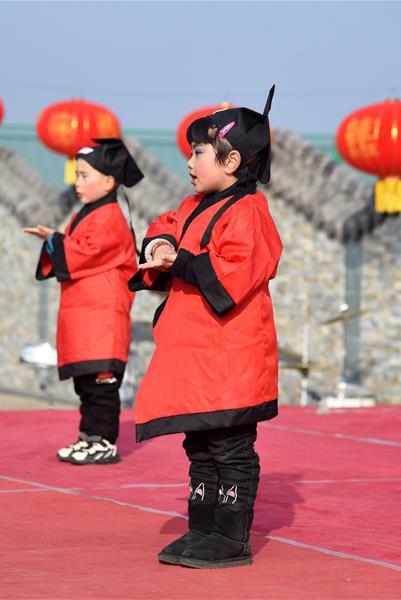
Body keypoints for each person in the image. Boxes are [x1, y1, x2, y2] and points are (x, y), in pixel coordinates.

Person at [130, 86, 282, 568]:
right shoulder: (196, 204)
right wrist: (159, 244)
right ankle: (203, 528)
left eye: (198, 152)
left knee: (230, 445)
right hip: (197, 357)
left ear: (232, 159)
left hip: (231, 356)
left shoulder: (249, 212)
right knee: (199, 444)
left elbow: (232, 273)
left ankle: (232, 537)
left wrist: (181, 261)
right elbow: (168, 221)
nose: (190, 162)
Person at [23, 139, 142, 465]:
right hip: (87, 316)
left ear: (109, 181)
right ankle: (89, 437)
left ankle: (103, 440)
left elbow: (84, 253)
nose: (78, 183)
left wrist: (54, 240)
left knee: (101, 386)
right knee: (87, 385)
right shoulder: (92, 214)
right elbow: (76, 252)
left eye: (85, 175)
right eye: (77, 175)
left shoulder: (110, 218)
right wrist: (54, 240)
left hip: (102, 318)